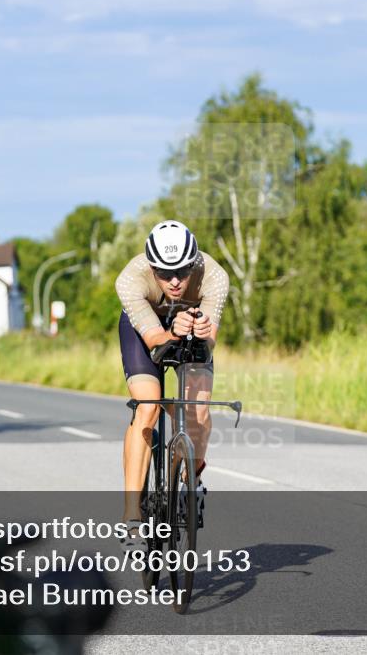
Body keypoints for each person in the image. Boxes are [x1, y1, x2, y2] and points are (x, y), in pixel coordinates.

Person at [114, 220, 229, 552]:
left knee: (198, 412)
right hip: (145, 329)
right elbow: (155, 341)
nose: (175, 281)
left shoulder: (215, 276)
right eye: (165, 273)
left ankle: (192, 481)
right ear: (152, 267)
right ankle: (132, 516)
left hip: (191, 328)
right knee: (148, 407)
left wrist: (201, 331)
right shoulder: (130, 279)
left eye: (182, 270)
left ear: (193, 262)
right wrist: (174, 332)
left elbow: (209, 344)